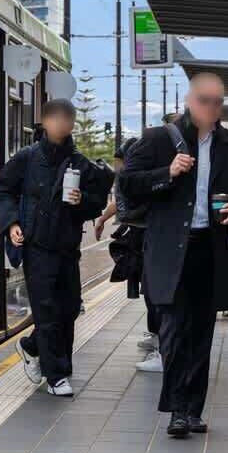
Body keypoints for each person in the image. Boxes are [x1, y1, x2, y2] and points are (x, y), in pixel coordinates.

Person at [120, 73, 228, 438]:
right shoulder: (158, 139)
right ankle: (177, 408)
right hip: (169, 250)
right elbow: (128, 182)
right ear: (190, 102)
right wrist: (168, 172)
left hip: (211, 248)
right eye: (204, 99)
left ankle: (193, 410)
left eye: (217, 101)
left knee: (202, 333)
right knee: (174, 330)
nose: (211, 107)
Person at [0, 99, 113, 396]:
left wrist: (81, 201)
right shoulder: (27, 158)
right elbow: (3, 191)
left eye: (67, 120)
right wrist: (11, 224)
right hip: (37, 246)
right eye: (56, 119)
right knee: (46, 311)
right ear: (45, 122)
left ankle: (31, 346)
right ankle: (56, 375)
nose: (62, 124)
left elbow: (96, 203)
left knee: (70, 308)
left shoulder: (80, 163)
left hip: (67, 247)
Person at [101, 137, 162, 372]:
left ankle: (162, 349)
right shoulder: (136, 177)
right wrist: (104, 218)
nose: (119, 169)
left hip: (150, 241)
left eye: (121, 164)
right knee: (149, 292)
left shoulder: (145, 179)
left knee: (154, 293)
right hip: (142, 240)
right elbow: (120, 204)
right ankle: (157, 340)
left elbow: (128, 207)